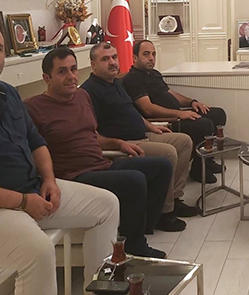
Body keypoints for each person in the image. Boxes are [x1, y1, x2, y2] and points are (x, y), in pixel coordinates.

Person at [0, 25, 119, 295]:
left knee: (106, 205)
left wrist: (49, 180)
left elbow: (36, 142)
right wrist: (23, 202)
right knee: (38, 251)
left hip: (30, 189)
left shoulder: (7, 93)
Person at [25, 48, 172, 259]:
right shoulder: (33, 107)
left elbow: (92, 134)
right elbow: (33, 149)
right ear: (47, 78)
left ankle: (139, 230)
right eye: (62, 71)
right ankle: (135, 247)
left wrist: (118, 143)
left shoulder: (82, 96)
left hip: (101, 163)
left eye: (74, 69)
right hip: (73, 176)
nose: (71, 76)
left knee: (161, 166)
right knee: (134, 180)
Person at [81, 42, 196, 231]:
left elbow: (131, 111)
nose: (112, 62)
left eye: (114, 57)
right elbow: (92, 133)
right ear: (93, 65)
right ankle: (164, 213)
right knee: (168, 152)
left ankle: (174, 198)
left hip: (143, 133)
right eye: (105, 59)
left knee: (183, 141)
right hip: (125, 143)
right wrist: (118, 143)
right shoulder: (88, 91)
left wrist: (151, 126)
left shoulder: (115, 83)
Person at [124, 40, 227, 184]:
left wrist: (192, 102)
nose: (151, 58)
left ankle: (207, 160)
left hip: (176, 114)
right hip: (163, 122)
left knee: (218, 114)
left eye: (153, 54)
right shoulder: (133, 79)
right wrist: (179, 114)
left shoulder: (154, 74)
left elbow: (170, 93)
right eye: (146, 54)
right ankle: (198, 169)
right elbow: (147, 108)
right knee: (204, 125)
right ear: (135, 58)